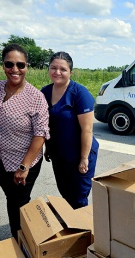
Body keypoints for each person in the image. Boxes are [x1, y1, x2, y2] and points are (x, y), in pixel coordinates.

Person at [0, 43, 50, 239]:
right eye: (9, 64)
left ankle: (21, 240)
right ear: (2, 65)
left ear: (27, 66)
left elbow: (41, 133)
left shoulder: (36, 97)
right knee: (12, 198)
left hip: (23, 163)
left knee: (18, 201)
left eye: (20, 65)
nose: (15, 69)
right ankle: (22, 236)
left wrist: (24, 166)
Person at [41, 51, 99, 209]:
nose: (57, 72)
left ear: (70, 72)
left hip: (80, 154)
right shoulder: (44, 92)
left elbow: (87, 130)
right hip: (59, 155)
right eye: (53, 67)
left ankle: (83, 229)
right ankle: (71, 224)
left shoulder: (80, 94)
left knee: (79, 195)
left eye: (63, 69)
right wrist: (48, 147)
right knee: (65, 192)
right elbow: (46, 124)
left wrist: (84, 158)